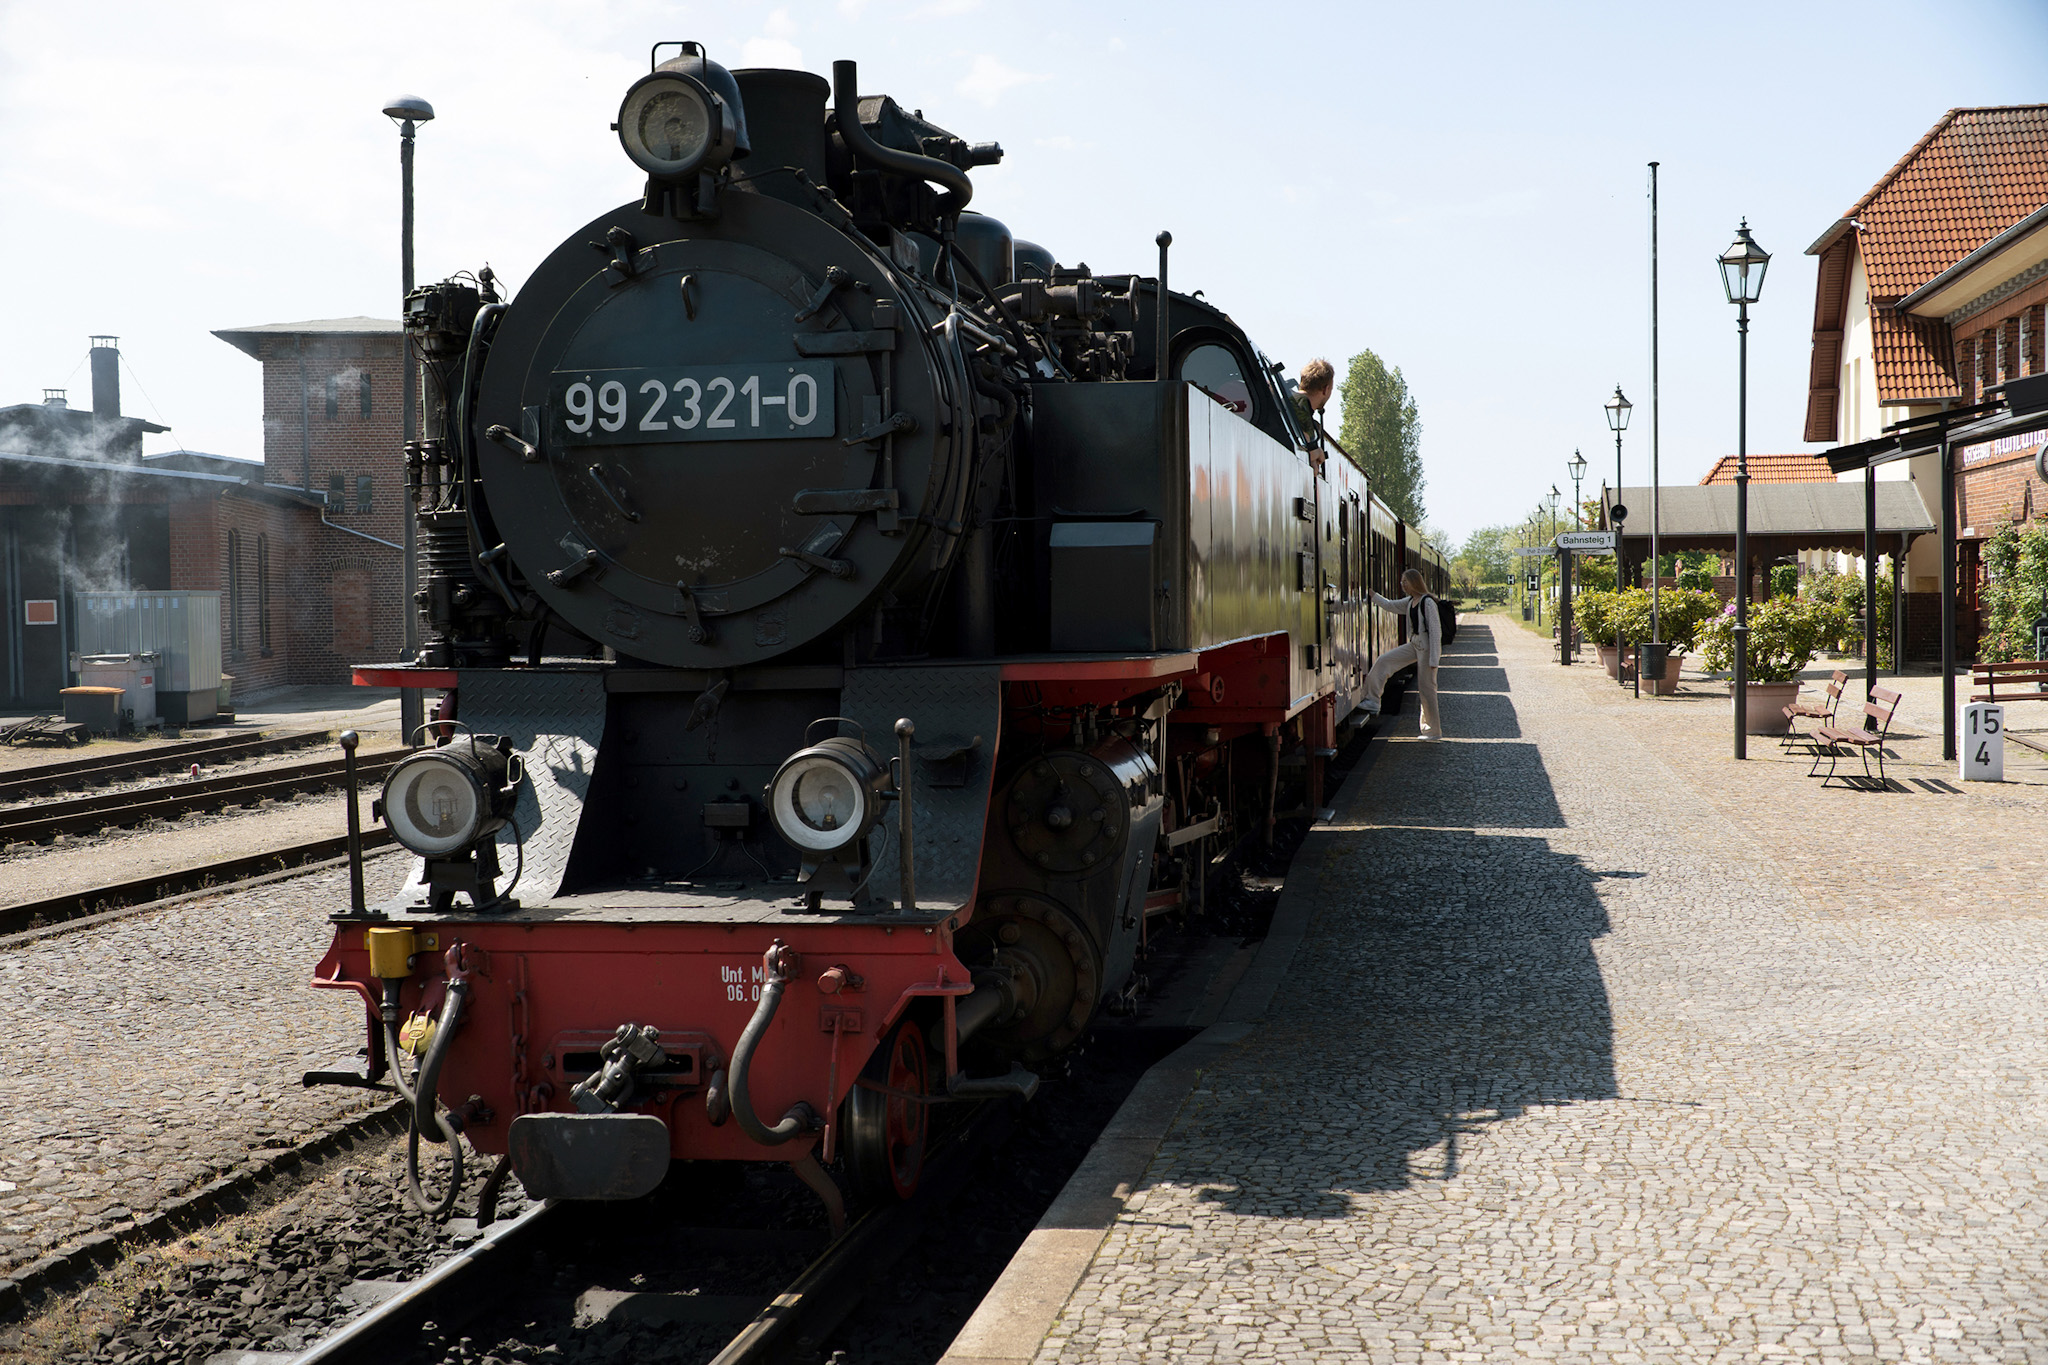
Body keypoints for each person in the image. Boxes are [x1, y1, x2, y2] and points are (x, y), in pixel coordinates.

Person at [1357, 568, 1443, 740]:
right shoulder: (1410, 601)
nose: (1403, 585)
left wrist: (1434, 660)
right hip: (1415, 644)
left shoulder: (1427, 602)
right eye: (1402, 581)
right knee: (1384, 661)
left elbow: (1435, 632)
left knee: (1426, 690)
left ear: (1414, 582)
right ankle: (1373, 701)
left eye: (1406, 581)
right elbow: (1390, 605)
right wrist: (1372, 594)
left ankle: (1433, 731)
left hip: (1426, 649)